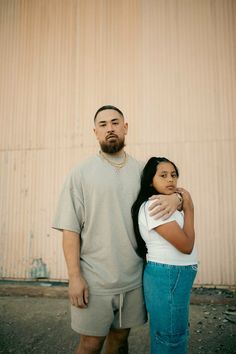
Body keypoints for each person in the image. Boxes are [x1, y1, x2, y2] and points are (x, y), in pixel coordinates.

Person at [53, 106, 182, 354]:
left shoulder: (144, 172)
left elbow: (172, 190)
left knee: (120, 340)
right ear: (95, 132)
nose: (109, 128)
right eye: (103, 124)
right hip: (94, 279)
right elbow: (70, 230)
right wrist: (74, 277)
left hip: (133, 278)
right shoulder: (80, 174)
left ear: (125, 127)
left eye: (115, 122)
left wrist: (177, 199)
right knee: (90, 345)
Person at [131, 157, 198, 354]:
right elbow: (186, 245)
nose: (170, 180)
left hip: (172, 276)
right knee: (171, 339)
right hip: (168, 276)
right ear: (150, 181)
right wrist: (189, 208)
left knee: (171, 334)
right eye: (163, 175)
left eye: (173, 175)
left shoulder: (166, 202)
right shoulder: (155, 206)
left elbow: (182, 194)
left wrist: (179, 198)